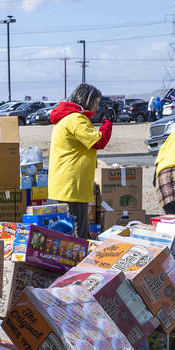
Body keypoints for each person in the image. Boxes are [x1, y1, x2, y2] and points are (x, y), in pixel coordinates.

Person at [48, 84, 113, 238]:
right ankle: (78, 260)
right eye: (96, 103)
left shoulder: (67, 118)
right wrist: (108, 123)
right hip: (72, 184)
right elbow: (98, 141)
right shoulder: (75, 119)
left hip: (67, 182)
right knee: (78, 232)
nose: (97, 108)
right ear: (88, 101)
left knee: (70, 228)